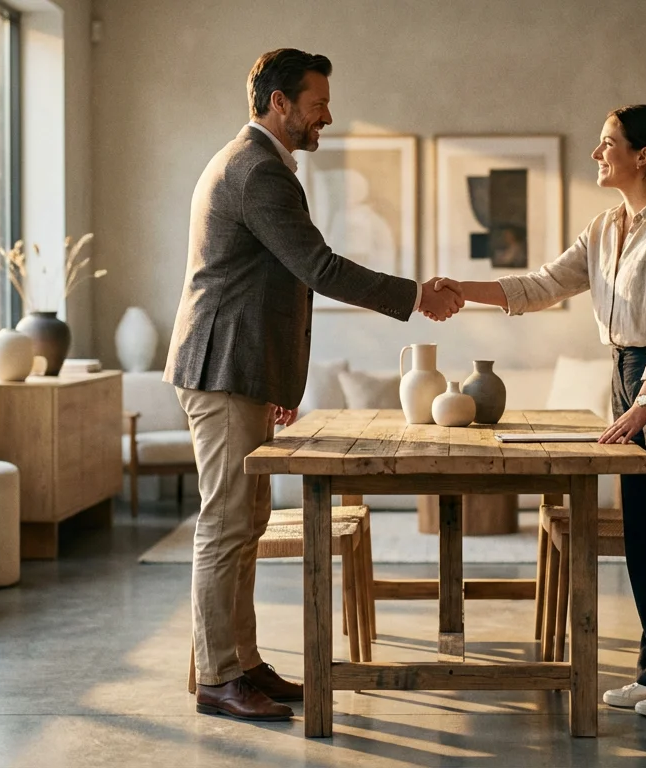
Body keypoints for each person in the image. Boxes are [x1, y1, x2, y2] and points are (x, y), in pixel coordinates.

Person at [164, 48, 463, 722]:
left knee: (247, 520)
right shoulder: (257, 171)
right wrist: (417, 295)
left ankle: (243, 663)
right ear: (280, 103)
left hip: (236, 366)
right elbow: (318, 268)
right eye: (317, 101)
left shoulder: (254, 165)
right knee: (226, 522)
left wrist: (276, 378)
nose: (326, 113)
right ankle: (218, 677)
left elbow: (275, 283)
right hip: (220, 370)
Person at [439, 104, 646, 718]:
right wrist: (463, 291)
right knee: (645, 537)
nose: (598, 154)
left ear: (643, 154)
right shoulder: (605, 228)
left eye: (608, 143)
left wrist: (645, 402)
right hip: (629, 379)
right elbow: (541, 285)